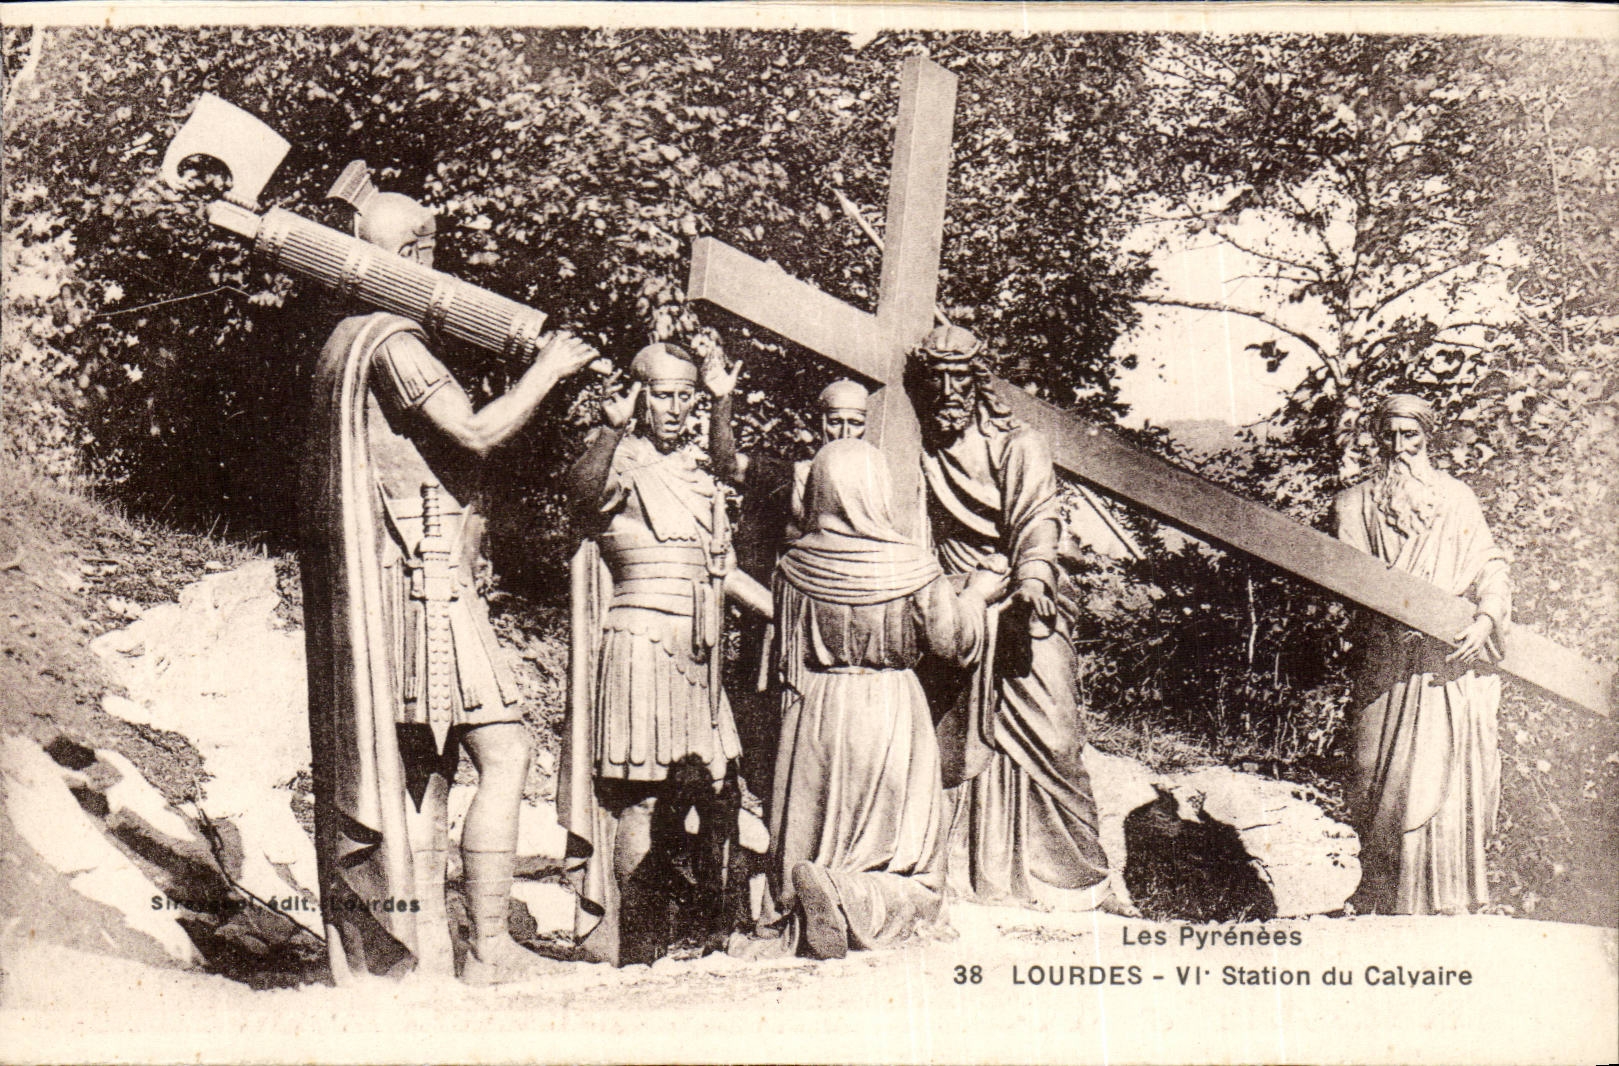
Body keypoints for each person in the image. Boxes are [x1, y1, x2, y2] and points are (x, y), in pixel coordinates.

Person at [300, 176, 598, 984]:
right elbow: (475, 431)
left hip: (407, 572)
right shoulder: (390, 342)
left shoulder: (345, 340)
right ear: (405, 260)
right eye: (424, 250)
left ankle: (424, 950)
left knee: (422, 772)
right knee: (503, 751)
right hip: (421, 575)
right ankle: (489, 949)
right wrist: (549, 370)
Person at [751, 438, 1007, 959]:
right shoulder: (911, 565)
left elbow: (785, 653)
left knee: (811, 829)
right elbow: (952, 643)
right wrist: (978, 594)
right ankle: (856, 898)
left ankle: (806, 894)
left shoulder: (793, 567)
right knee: (904, 856)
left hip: (816, 710)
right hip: (890, 709)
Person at [561, 343, 772, 966]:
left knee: (715, 788)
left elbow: (722, 568)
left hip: (697, 653)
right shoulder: (620, 458)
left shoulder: (700, 470)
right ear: (640, 396)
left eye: (686, 396)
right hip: (641, 644)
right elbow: (578, 498)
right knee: (645, 797)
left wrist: (788, 618)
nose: (675, 408)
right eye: (662, 394)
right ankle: (637, 940)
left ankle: (695, 929)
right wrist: (607, 426)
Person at [909, 324, 1120, 912]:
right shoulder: (916, 447)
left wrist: (1030, 580)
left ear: (978, 381)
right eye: (937, 380)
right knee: (950, 739)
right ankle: (970, 874)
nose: (948, 391)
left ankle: (1078, 877)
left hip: (1027, 599)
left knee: (1054, 731)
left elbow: (1036, 519)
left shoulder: (1016, 443)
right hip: (957, 607)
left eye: (959, 378)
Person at [1333, 393, 1511, 915]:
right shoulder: (1352, 503)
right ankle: (1381, 895)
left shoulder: (1457, 499)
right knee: (1372, 770)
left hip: (1445, 665)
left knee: (1442, 772)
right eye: (1388, 435)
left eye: (1409, 436)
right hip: (1385, 660)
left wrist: (1486, 617)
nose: (1398, 447)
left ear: (1427, 437)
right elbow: (1346, 578)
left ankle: (1444, 897)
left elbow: (1491, 564)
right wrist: (1388, 620)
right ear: (1376, 437)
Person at [707, 368, 871, 794]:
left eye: (855, 422)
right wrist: (723, 401)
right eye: (835, 420)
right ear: (820, 421)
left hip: (840, 629)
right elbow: (726, 463)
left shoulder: (874, 487)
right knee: (766, 733)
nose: (844, 431)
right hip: (779, 624)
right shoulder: (790, 477)